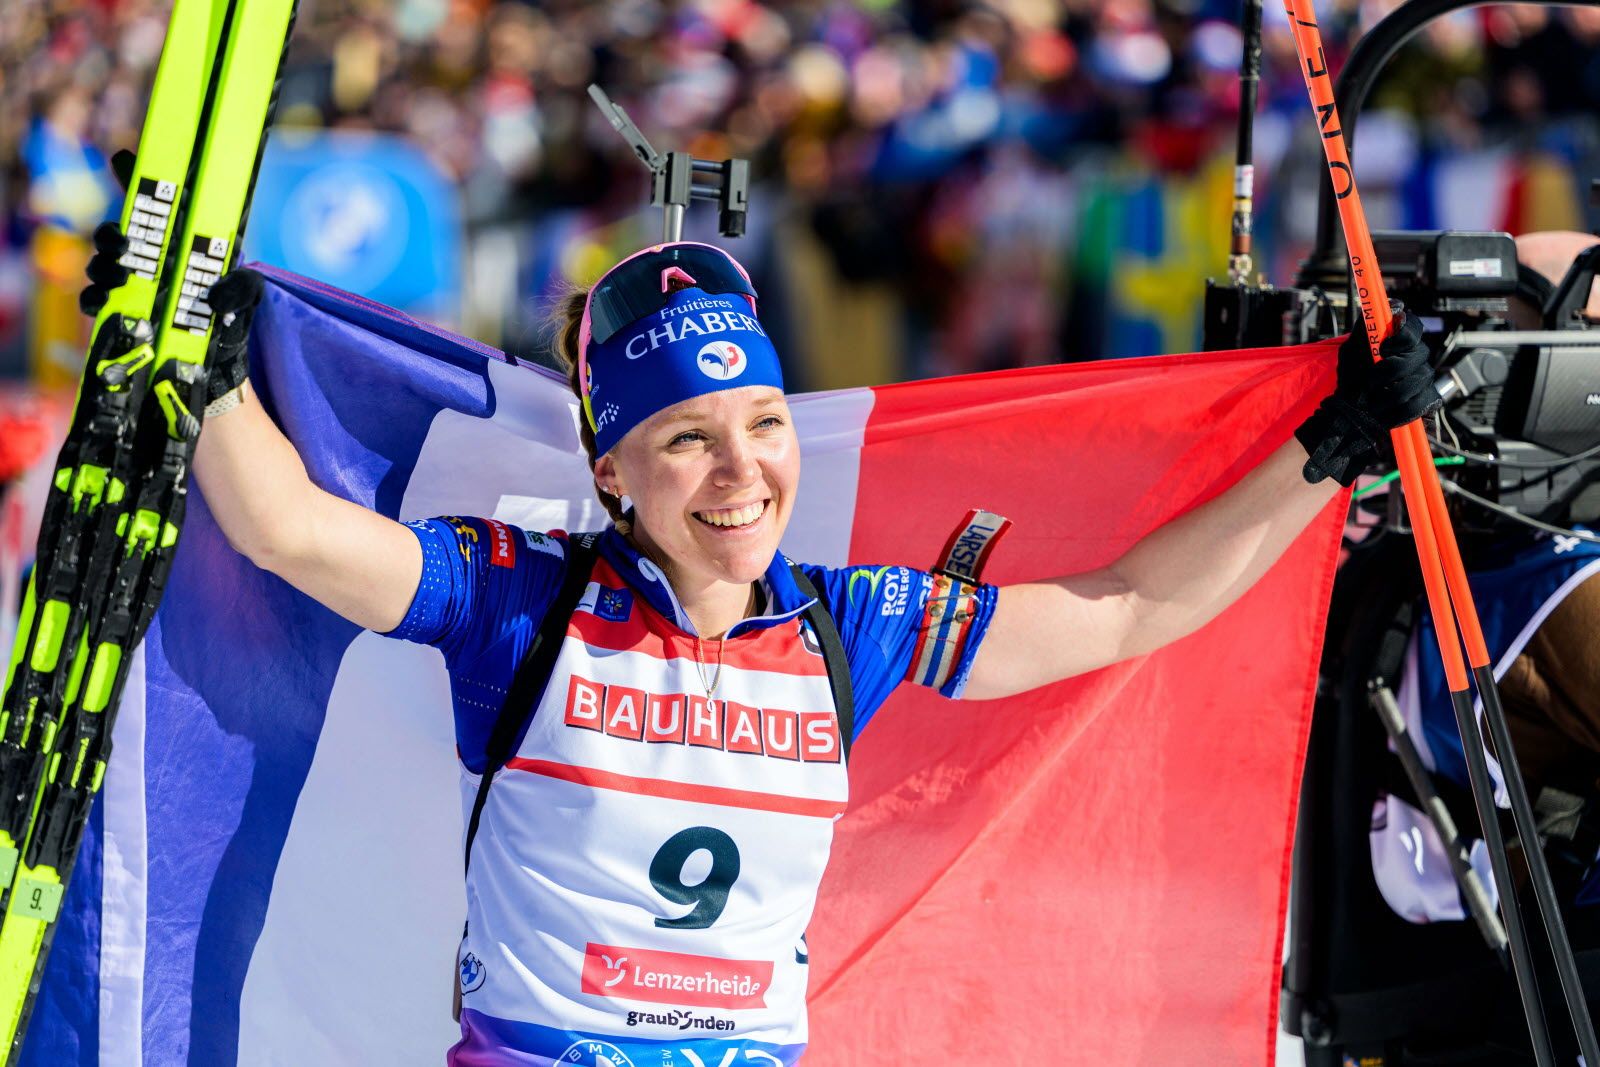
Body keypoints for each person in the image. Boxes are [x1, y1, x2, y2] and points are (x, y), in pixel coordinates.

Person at [82, 234, 1437, 1063]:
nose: (741, 473)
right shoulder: (527, 601)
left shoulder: (851, 624)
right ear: (611, 472)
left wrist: (1330, 453)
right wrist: (189, 361)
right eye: (687, 439)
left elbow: (1130, 607)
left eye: (765, 426)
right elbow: (292, 534)